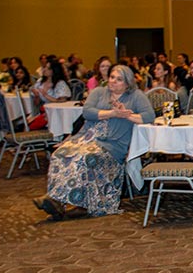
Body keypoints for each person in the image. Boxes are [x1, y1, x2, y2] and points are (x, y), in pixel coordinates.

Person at [33, 65, 155, 220]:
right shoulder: (99, 92)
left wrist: (125, 114)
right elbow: (87, 112)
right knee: (60, 154)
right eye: (112, 77)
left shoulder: (136, 95)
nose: (113, 82)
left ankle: (60, 201)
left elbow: (149, 116)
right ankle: (57, 200)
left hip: (112, 144)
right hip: (87, 137)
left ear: (127, 83)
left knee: (84, 158)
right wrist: (111, 113)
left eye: (119, 79)